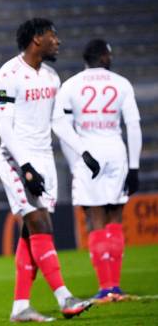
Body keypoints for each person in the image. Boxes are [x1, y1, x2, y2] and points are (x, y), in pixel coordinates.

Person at [0, 18, 94, 322]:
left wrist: (84, 151)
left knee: (30, 235)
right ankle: (65, 298)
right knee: (42, 227)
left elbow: (59, 122)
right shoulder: (9, 74)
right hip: (16, 160)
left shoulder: (51, 77)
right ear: (37, 39)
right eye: (53, 35)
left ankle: (20, 307)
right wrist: (25, 166)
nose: (58, 41)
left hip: (44, 161)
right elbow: (4, 126)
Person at [52, 39, 142, 303]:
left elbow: (63, 130)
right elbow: (133, 126)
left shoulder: (70, 86)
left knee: (95, 221)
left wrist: (75, 164)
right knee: (115, 218)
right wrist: (134, 166)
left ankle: (105, 288)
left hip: (87, 154)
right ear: (103, 57)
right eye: (109, 55)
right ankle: (116, 287)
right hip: (116, 152)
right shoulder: (121, 83)